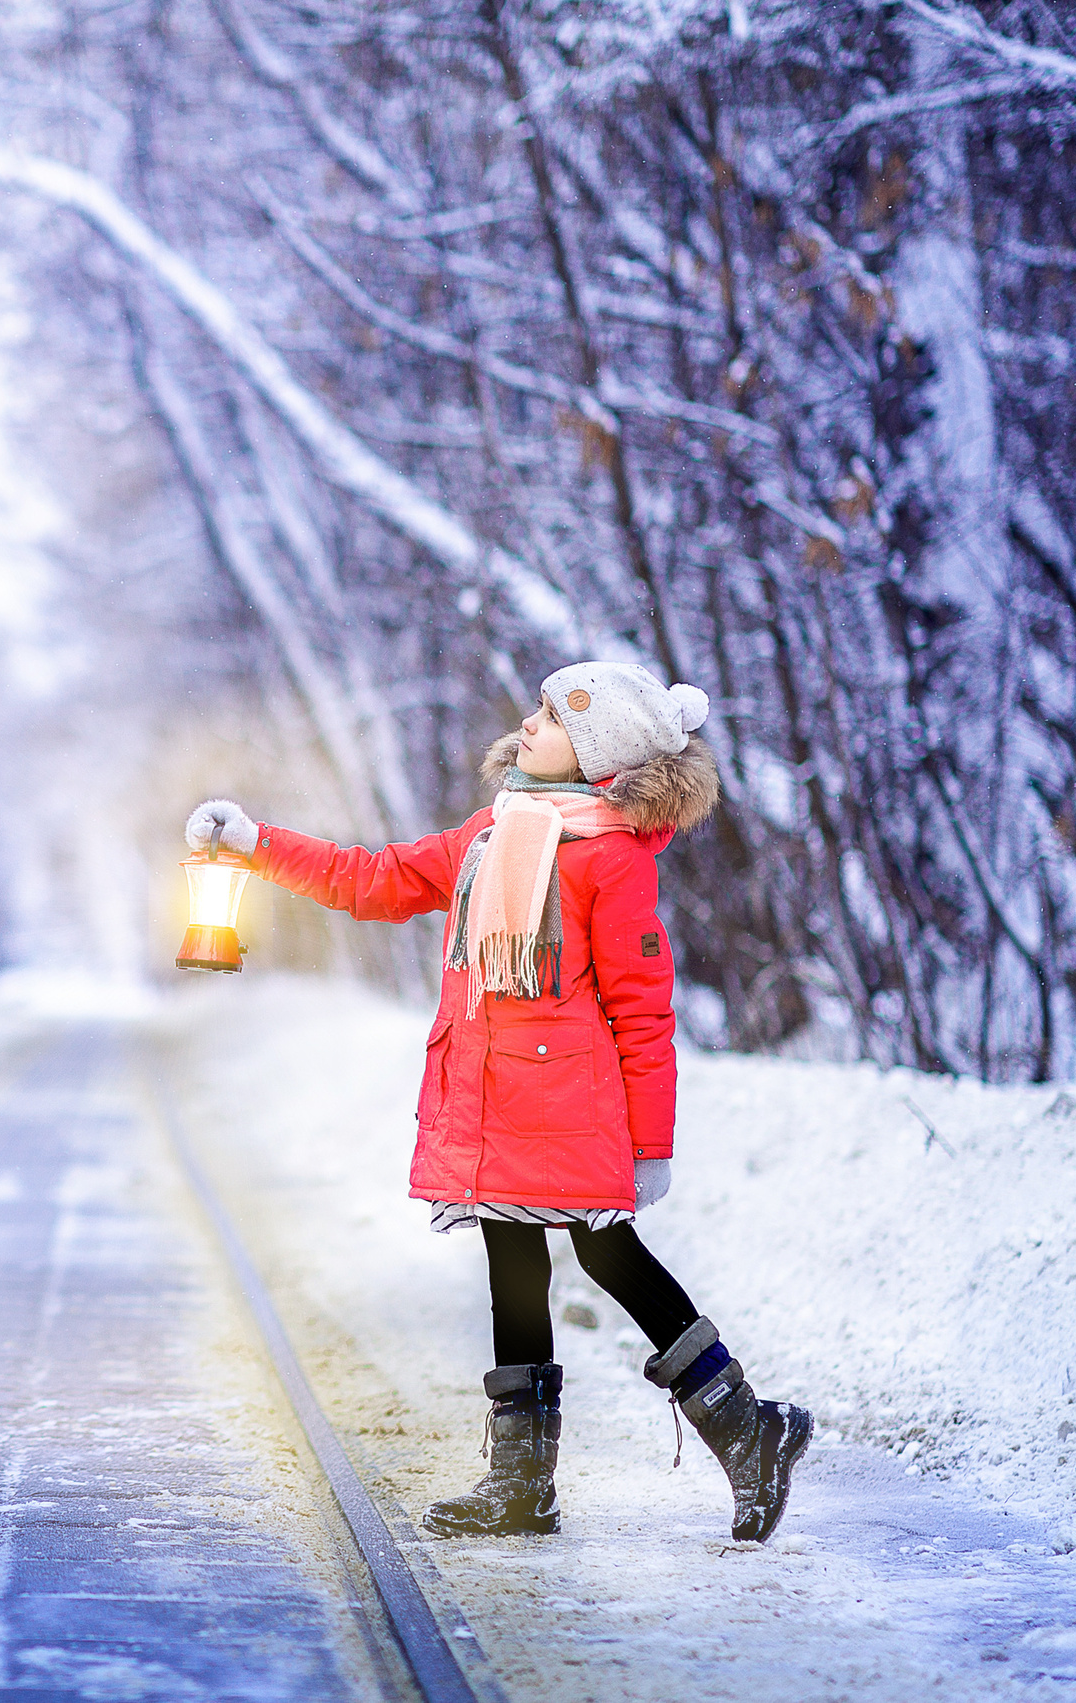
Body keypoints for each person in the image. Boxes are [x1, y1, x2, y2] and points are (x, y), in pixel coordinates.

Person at [185, 661, 811, 1543]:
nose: (530, 724)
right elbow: (373, 878)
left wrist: (651, 1141)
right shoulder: (491, 833)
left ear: (602, 762)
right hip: (497, 1098)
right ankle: (522, 1485)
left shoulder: (611, 860)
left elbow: (642, 1006)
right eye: (539, 708)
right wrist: (255, 842)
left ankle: (750, 1427)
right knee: (513, 1266)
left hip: (575, 1104)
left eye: (556, 720)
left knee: (610, 1259)